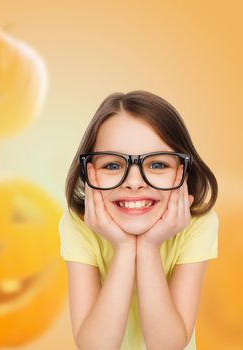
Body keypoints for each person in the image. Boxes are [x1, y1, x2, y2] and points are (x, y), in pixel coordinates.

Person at [58, 90, 218, 350]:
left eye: (157, 165)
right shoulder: (78, 223)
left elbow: (167, 346)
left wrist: (148, 247)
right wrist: (123, 249)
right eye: (112, 165)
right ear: (91, 173)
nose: (134, 182)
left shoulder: (199, 222)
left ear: (182, 172)